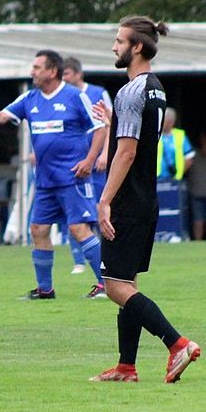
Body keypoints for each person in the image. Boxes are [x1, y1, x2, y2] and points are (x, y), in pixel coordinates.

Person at [90, 15, 200, 383]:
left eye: (119, 41)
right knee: (127, 283)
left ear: (137, 47)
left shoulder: (130, 91)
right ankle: (126, 367)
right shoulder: (156, 89)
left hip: (127, 202)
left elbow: (127, 152)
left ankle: (177, 343)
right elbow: (135, 139)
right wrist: (112, 124)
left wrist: (105, 201)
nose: (114, 47)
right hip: (146, 199)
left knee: (115, 287)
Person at [0, 50, 106, 300]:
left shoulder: (76, 96)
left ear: (52, 71)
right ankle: (45, 289)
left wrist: (89, 160)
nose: (32, 72)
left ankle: (105, 284)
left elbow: (100, 128)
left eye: (37, 67)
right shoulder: (30, 98)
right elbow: (1, 116)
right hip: (44, 181)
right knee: (38, 229)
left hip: (72, 178)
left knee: (78, 229)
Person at [62, 56, 112, 275]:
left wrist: (105, 154)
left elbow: (110, 124)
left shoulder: (98, 93)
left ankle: (106, 259)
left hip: (97, 165)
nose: (63, 78)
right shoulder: (63, 96)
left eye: (66, 74)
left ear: (78, 74)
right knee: (74, 214)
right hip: (75, 165)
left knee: (99, 210)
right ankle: (78, 261)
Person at [157, 107, 194, 239]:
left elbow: (189, 157)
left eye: (167, 121)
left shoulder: (180, 136)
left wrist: (179, 173)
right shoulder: (154, 134)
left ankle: (178, 235)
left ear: (172, 122)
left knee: (177, 209)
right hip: (156, 180)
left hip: (175, 181)